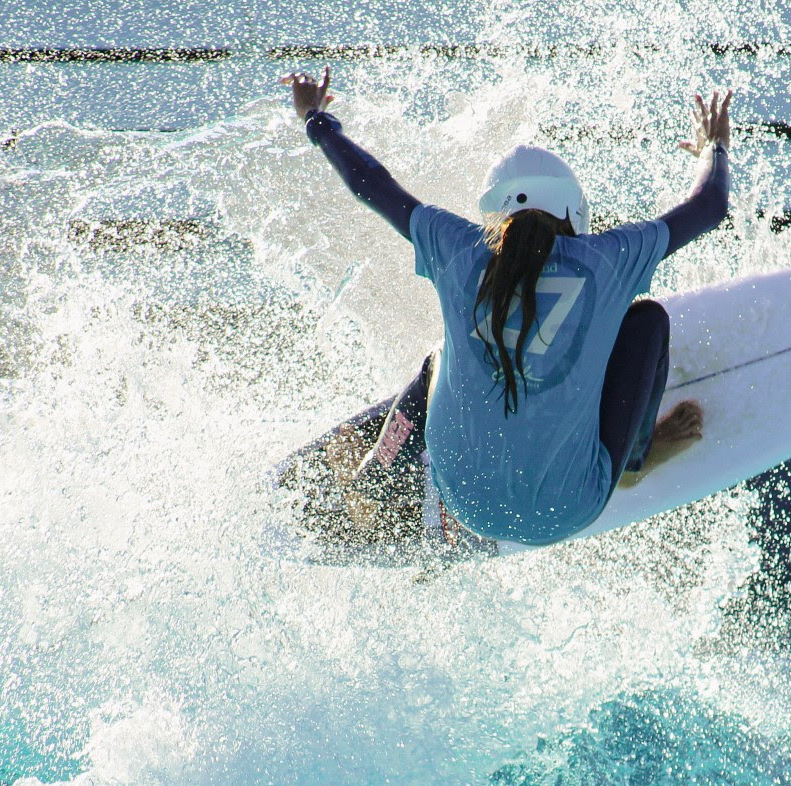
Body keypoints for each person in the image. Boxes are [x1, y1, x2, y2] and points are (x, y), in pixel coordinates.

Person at [281, 67, 732, 546]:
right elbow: (709, 205)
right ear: (573, 210)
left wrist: (316, 119)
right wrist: (714, 147)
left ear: (492, 214)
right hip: (573, 504)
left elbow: (368, 182)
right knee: (646, 321)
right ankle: (635, 463)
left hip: (461, 498)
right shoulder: (610, 259)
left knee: (439, 359)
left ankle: (378, 473)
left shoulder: (453, 246)